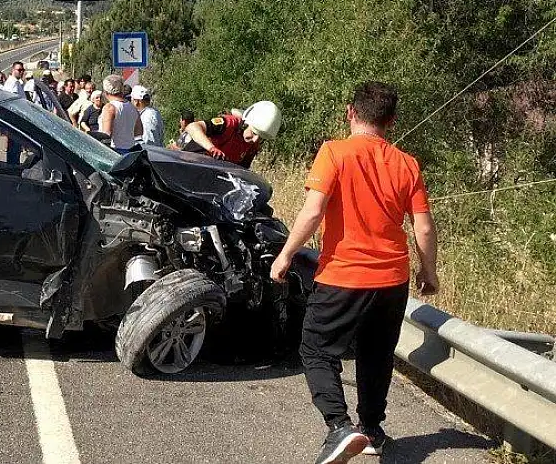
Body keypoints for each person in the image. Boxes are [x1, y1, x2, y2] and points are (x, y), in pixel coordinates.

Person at [270, 82, 439, 464]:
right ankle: (372, 429)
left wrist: (285, 256)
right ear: (391, 121)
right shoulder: (406, 163)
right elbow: (423, 228)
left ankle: (339, 427)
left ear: (350, 112)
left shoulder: (334, 152)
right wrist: (429, 272)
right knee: (376, 353)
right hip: (393, 279)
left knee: (315, 347)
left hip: (343, 276)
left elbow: (313, 212)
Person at [184, 101, 282, 169]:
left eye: (261, 138)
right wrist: (212, 148)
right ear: (245, 124)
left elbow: (241, 171)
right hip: (188, 164)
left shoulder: (252, 145)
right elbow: (192, 127)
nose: (256, 140)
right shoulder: (228, 124)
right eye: (254, 133)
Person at [99, 75, 143, 153]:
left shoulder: (109, 108)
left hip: (115, 152)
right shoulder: (132, 107)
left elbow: (106, 135)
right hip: (131, 152)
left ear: (105, 91)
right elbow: (139, 132)